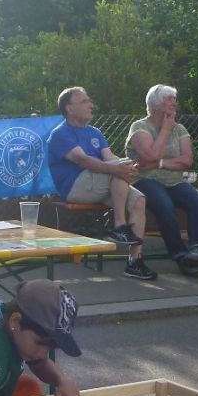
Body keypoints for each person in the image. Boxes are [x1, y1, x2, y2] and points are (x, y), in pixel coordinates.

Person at [46, 86, 157, 281]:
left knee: (139, 200)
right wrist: (119, 168)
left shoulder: (95, 132)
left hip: (100, 183)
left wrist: (128, 164)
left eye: (89, 100)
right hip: (75, 187)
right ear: (69, 109)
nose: (91, 105)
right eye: (84, 101)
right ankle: (119, 225)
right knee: (117, 172)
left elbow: (109, 158)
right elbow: (83, 161)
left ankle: (135, 262)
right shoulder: (60, 134)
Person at [125, 84, 198, 276]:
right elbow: (150, 155)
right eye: (169, 99)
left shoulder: (180, 129)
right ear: (155, 104)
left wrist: (159, 163)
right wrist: (166, 130)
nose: (174, 103)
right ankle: (181, 256)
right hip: (145, 180)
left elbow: (187, 161)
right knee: (165, 205)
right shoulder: (140, 127)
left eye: (174, 99)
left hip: (174, 181)